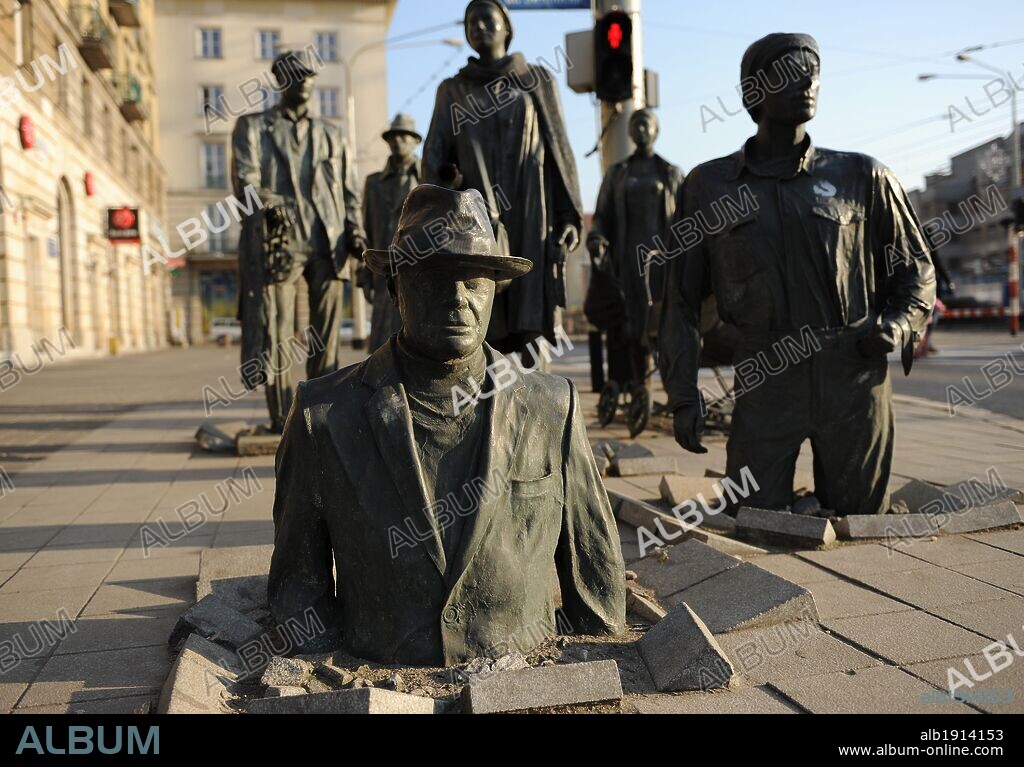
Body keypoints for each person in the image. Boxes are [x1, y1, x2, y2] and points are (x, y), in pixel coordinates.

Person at [268, 184, 625, 665]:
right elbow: (297, 580)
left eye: (474, 281)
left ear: (494, 292)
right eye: (435, 279)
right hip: (381, 656)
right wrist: (318, 667)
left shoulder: (550, 405)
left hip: (517, 655)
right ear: (396, 288)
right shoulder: (323, 414)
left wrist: (598, 661)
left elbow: (593, 564)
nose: (458, 299)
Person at [659, 33, 936, 517]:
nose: (807, 81)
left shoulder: (864, 177)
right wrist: (683, 395)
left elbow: (916, 268)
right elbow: (680, 301)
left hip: (853, 374)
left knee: (858, 522)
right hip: (767, 374)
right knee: (755, 516)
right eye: (790, 71)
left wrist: (898, 324)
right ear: (753, 93)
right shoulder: (709, 186)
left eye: (813, 71)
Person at [422, 0, 583, 361]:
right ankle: (484, 412)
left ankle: (536, 412)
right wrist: (446, 193)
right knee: (480, 326)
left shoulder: (536, 80)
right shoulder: (452, 90)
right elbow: (433, 160)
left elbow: (559, 149)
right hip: (476, 221)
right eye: (470, 21)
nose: (478, 26)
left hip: (531, 213)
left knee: (530, 334)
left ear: (506, 27)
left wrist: (570, 216)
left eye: (486, 18)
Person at [232, 49, 366, 433]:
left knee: (326, 334)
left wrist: (355, 229)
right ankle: (280, 420)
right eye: (295, 75)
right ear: (280, 81)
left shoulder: (333, 135)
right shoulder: (253, 127)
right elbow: (246, 179)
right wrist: (268, 204)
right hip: (279, 242)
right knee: (276, 329)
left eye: (308, 75)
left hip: (329, 242)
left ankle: (320, 414)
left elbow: (348, 191)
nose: (304, 81)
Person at [588, 109, 684, 388]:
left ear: (656, 130)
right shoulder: (617, 174)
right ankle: (637, 385)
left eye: (646, 124)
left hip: (663, 260)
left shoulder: (671, 173)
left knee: (663, 319)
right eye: (635, 125)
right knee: (630, 324)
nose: (640, 129)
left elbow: (687, 216)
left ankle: (672, 385)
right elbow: (602, 216)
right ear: (629, 132)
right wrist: (596, 237)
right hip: (628, 259)